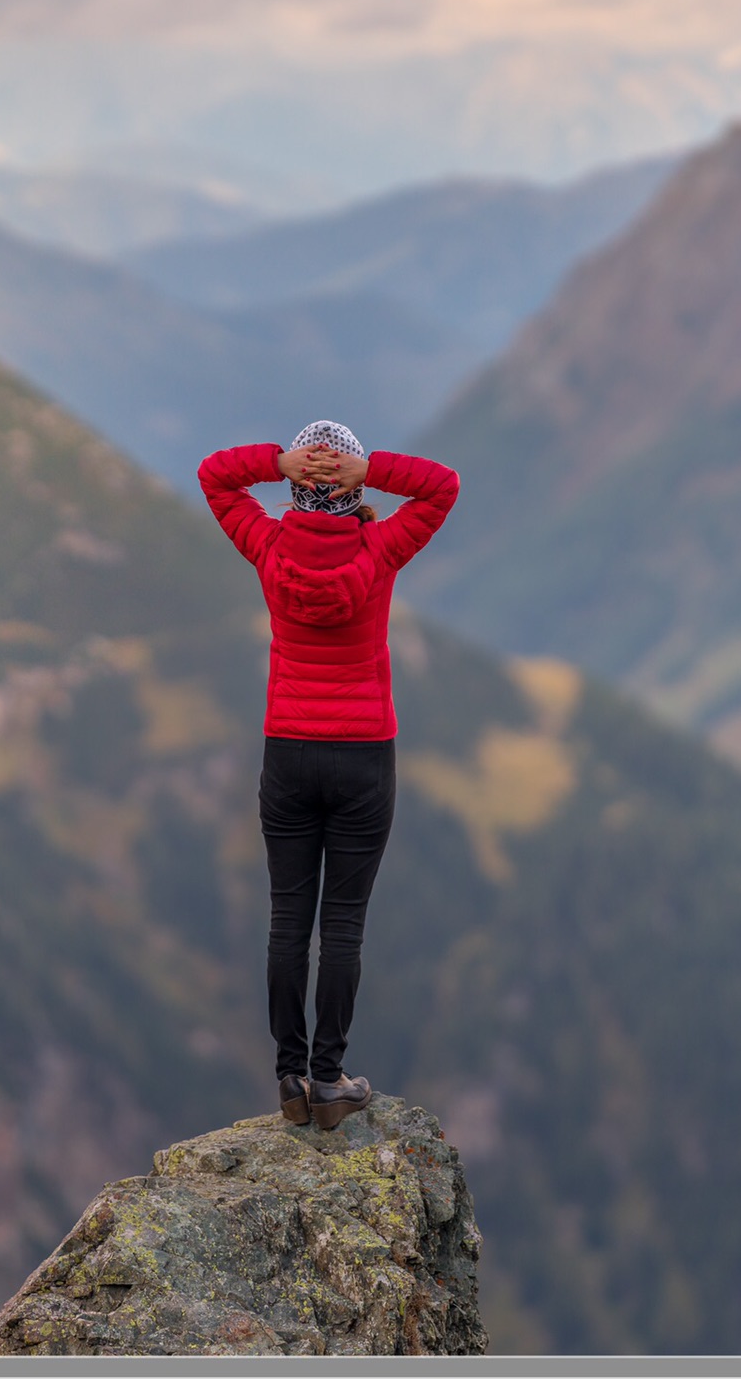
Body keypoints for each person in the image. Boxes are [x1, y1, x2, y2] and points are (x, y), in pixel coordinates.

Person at [197, 419, 459, 1131]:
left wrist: (278, 457)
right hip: (365, 754)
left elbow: (215, 476)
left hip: (288, 750)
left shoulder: (268, 545)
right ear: (347, 487)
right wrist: (369, 468)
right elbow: (442, 487)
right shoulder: (381, 547)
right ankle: (329, 1077)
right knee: (342, 924)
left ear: (293, 484)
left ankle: (288, 1075)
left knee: (288, 918)